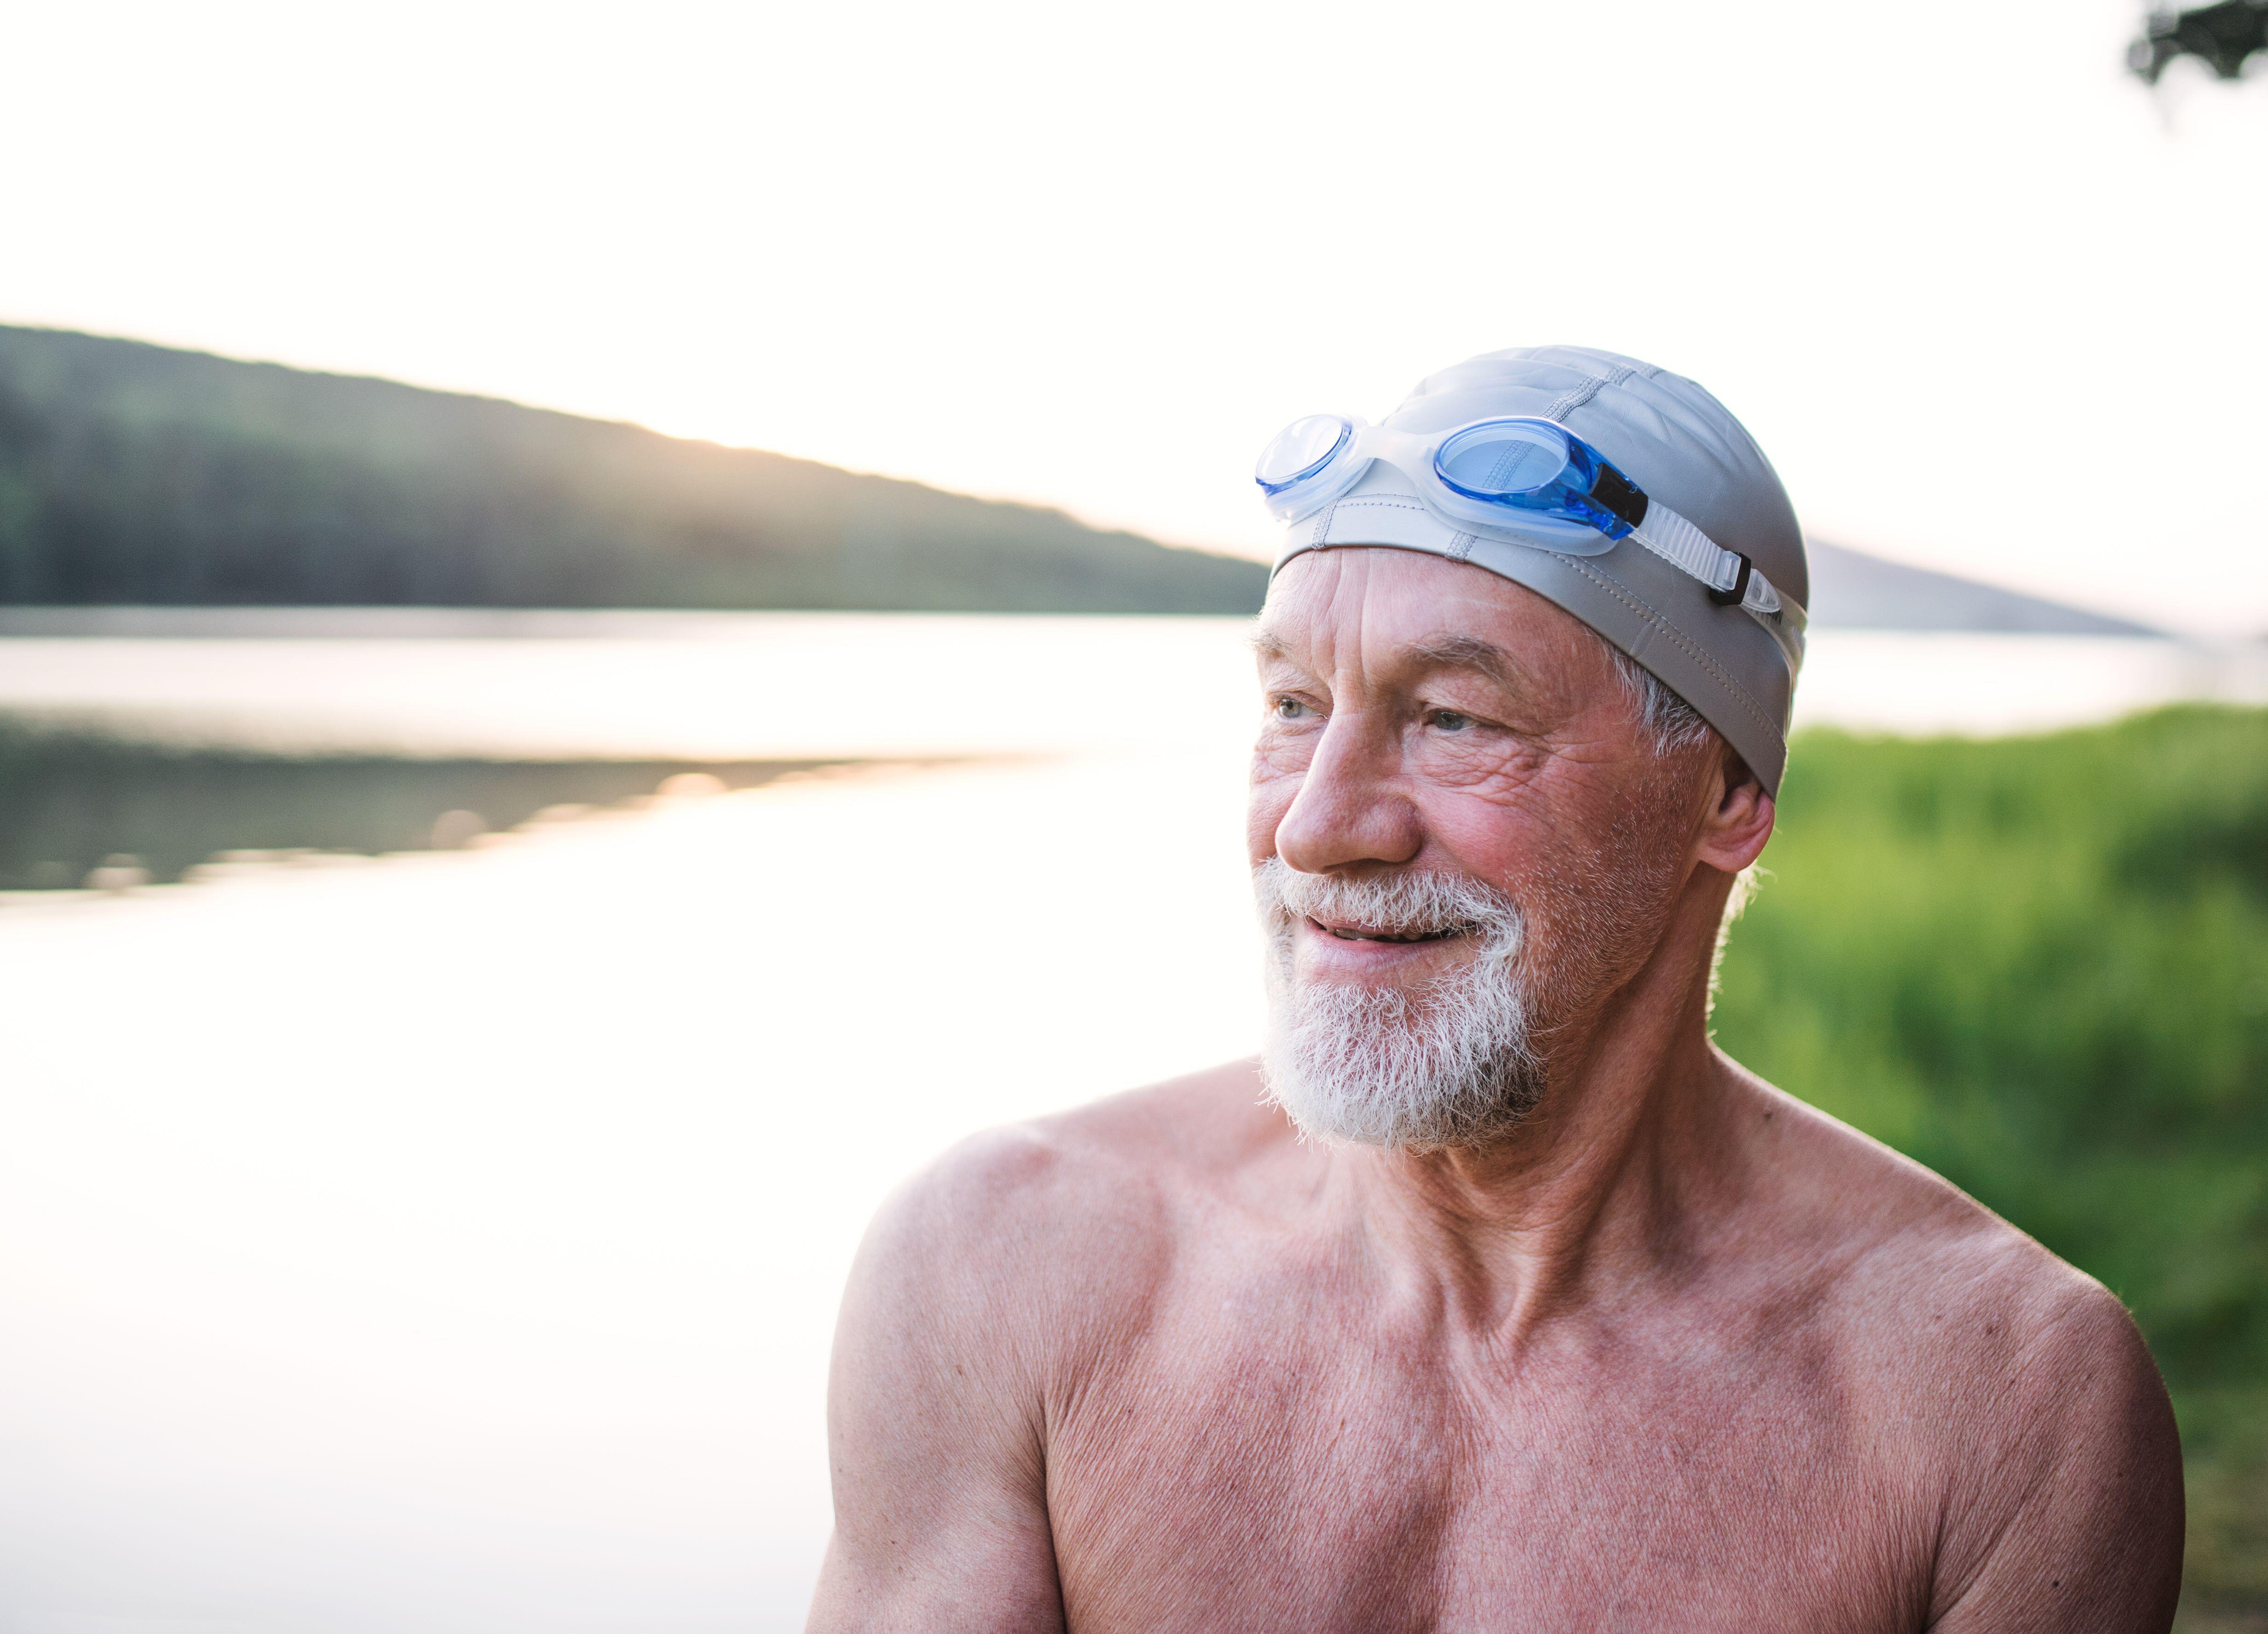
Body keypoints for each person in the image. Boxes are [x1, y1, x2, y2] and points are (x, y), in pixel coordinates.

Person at [807, 348, 2184, 1632]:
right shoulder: (1000, 1268)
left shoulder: (2000, 1405)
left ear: (1724, 791)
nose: (1315, 827)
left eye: (1451, 718)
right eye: (1292, 706)